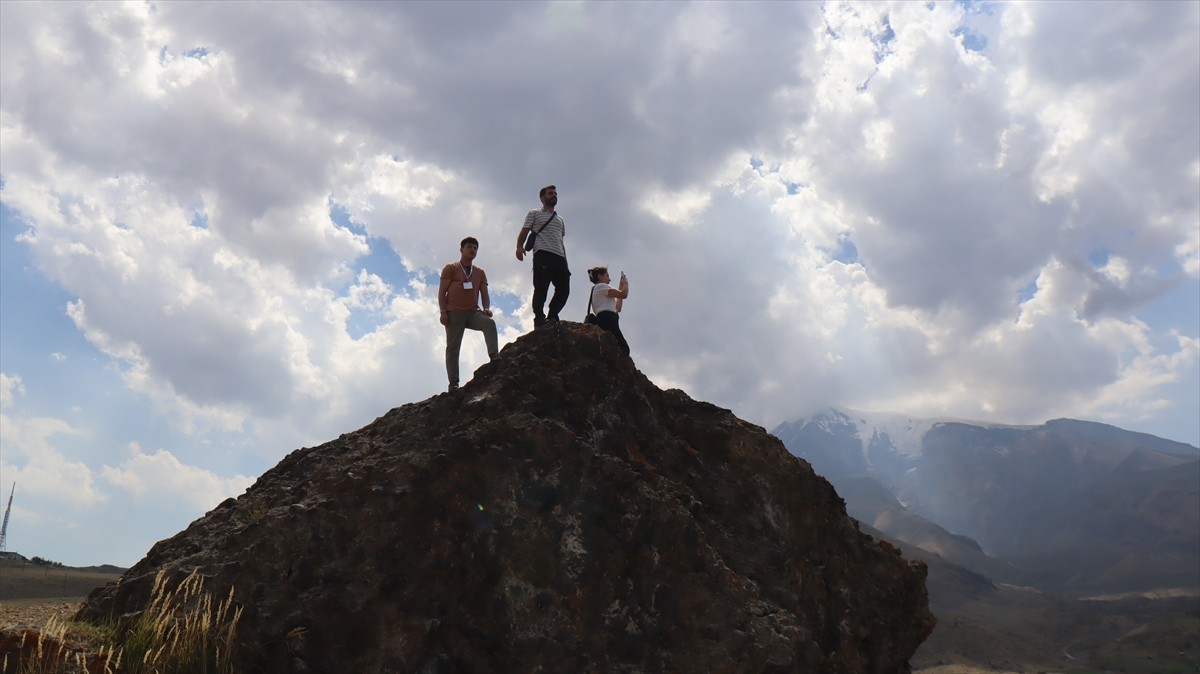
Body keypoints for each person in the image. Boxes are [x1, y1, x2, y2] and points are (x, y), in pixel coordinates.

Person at [439, 237, 498, 392]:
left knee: (489, 323)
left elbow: (484, 293)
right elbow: (442, 292)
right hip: (453, 313)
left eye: (475, 248)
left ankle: (495, 357)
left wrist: (486, 308)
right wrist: (443, 312)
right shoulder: (451, 268)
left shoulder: (480, 272)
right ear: (461, 250)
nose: (472, 250)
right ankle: (453, 383)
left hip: (472, 312)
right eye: (469, 247)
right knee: (453, 348)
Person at [515, 184, 569, 328]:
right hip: (542, 254)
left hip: (559, 257)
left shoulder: (560, 219)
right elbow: (524, 231)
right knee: (541, 288)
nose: (554, 195)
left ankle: (552, 316)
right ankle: (539, 318)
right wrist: (519, 247)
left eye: (555, 193)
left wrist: (565, 260)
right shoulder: (534, 213)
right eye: (550, 193)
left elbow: (560, 240)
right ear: (542, 198)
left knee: (564, 290)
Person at [587, 266, 630, 355]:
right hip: (607, 318)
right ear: (600, 276)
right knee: (623, 348)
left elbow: (618, 308)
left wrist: (621, 286)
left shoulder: (599, 290)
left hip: (606, 318)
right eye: (607, 275)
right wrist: (626, 283)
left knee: (615, 346)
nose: (609, 279)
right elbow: (624, 294)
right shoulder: (601, 286)